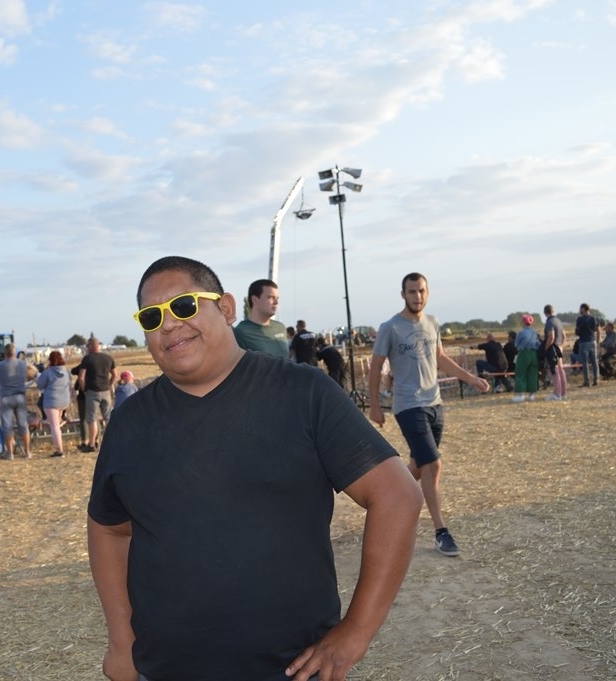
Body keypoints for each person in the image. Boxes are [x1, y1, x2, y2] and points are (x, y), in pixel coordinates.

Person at [88, 255, 422, 681]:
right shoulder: (129, 422)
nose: (169, 325)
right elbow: (109, 530)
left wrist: (356, 631)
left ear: (226, 308)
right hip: (163, 669)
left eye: (184, 306)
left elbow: (397, 496)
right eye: (152, 317)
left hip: (291, 669)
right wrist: (121, 641)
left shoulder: (303, 392)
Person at [368, 272, 490, 558]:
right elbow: (375, 367)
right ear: (403, 294)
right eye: (412, 291)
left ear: (428, 292)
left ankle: (388, 499)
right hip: (409, 405)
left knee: (419, 466)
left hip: (435, 404)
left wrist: (470, 379)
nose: (417, 296)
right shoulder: (390, 327)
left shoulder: (433, 323)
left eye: (422, 291)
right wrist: (374, 405)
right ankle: (441, 532)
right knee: (433, 465)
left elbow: (440, 358)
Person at [76, 336, 116, 453]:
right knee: (108, 417)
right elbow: (115, 375)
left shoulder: (87, 359)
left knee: (92, 418)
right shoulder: (108, 358)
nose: (87, 348)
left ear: (92, 346)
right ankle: (112, 441)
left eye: (88, 345)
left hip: (92, 391)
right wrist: (109, 384)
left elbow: (81, 377)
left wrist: (84, 389)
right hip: (105, 391)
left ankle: (92, 443)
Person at [232, 278, 289, 358]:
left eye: (277, 298)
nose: (276, 302)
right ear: (255, 299)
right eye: (270, 297)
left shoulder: (280, 327)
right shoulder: (241, 332)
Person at [0, 343, 31, 459]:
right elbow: (28, 375)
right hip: (20, 396)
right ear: (15, 352)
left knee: (7, 426)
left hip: (6, 397)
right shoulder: (22, 364)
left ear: (4, 353)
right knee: (23, 424)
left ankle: (10, 453)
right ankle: (27, 451)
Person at [35, 350, 71, 458]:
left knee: (54, 426)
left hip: (51, 401)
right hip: (64, 400)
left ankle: (60, 450)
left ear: (50, 360)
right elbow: (69, 382)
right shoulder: (66, 371)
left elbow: (40, 385)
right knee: (57, 425)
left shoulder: (48, 372)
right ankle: (60, 447)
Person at [512, 315, 542, 402]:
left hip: (524, 353)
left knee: (520, 373)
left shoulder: (521, 332)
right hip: (534, 353)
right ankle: (532, 395)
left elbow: (516, 344)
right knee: (533, 373)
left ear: (523, 322)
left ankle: (520, 395)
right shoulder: (535, 332)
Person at [543, 304, 568, 401]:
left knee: (554, 370)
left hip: (553, 348)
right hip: (559, 347)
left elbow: (551, 336)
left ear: (545, 313)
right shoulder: (559, 321)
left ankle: (557, 393)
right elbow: (564, 336)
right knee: (561, 370)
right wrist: (561, 346)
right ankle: (563, 393)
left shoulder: (549, 322)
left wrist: (546, 348)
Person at [575, 303, 600, 387]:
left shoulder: (579, 319)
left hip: (583, 342)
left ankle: (587, 381)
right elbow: (598, 330)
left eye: (580, 308)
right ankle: (596, 379)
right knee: (594, 361)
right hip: (592, 341)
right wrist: (597, 341)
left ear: (583, 309)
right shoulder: (593, 318)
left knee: (585, 363)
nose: (580, 310)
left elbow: (577, 332)